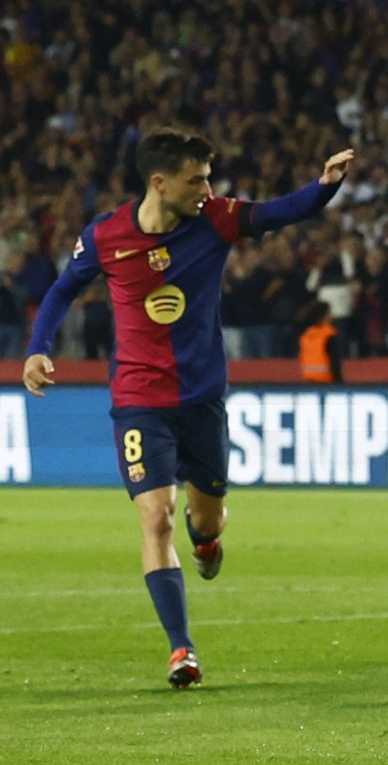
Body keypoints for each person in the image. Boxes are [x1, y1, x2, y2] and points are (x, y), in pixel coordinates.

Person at [22, 129, 353, 688]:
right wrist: (36, 350)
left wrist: (323, 187)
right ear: (160, 182)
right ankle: (182, 649)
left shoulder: (216, 219)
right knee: (156, 517)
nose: (207, 188)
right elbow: (60, 292)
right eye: (196, 179)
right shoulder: (106, 236)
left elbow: (278, 212)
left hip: (201, 400)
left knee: (206, 518)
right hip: (138, 402)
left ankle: (207, 541)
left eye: (208, 177)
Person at [298, 300, 343, 383]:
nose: (332, 315)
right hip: (327, 380)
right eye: (329, 313)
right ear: (324, 316)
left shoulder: (306, 335)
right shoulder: (328, 335)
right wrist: (339, 381)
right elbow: (335, 360)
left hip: (309, 379)